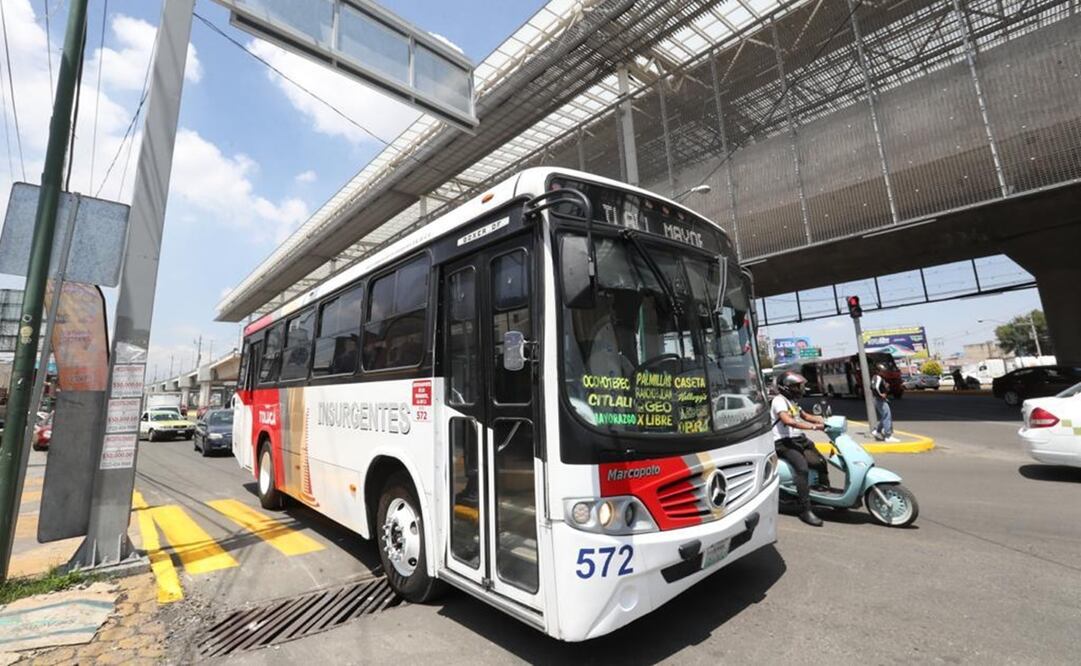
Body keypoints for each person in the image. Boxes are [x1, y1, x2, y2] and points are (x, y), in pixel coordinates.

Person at [771, 371, 830, 527]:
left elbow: (805, 416)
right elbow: (788, 420)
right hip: (783, 442)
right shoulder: (779, 401)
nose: (800, 389)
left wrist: (825, 421)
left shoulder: (792, 401)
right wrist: (814, 427)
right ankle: (805, 509)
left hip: (798, 440)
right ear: (786, 387)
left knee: (820, 462)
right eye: (796, 386)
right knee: (802, 469)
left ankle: (824, 494)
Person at [871, 364, 899, 442]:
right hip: (880, 400)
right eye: (882, 371)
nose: (884, 372)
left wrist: (885, 387)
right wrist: (880, 395)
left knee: (885, 415)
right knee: (887, 415)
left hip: (879, 399)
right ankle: (888, 436)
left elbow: (875, 387)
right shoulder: (878, 377)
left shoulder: (877, 377)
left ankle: (877, 431)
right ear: (878, 371)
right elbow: (874, 387)